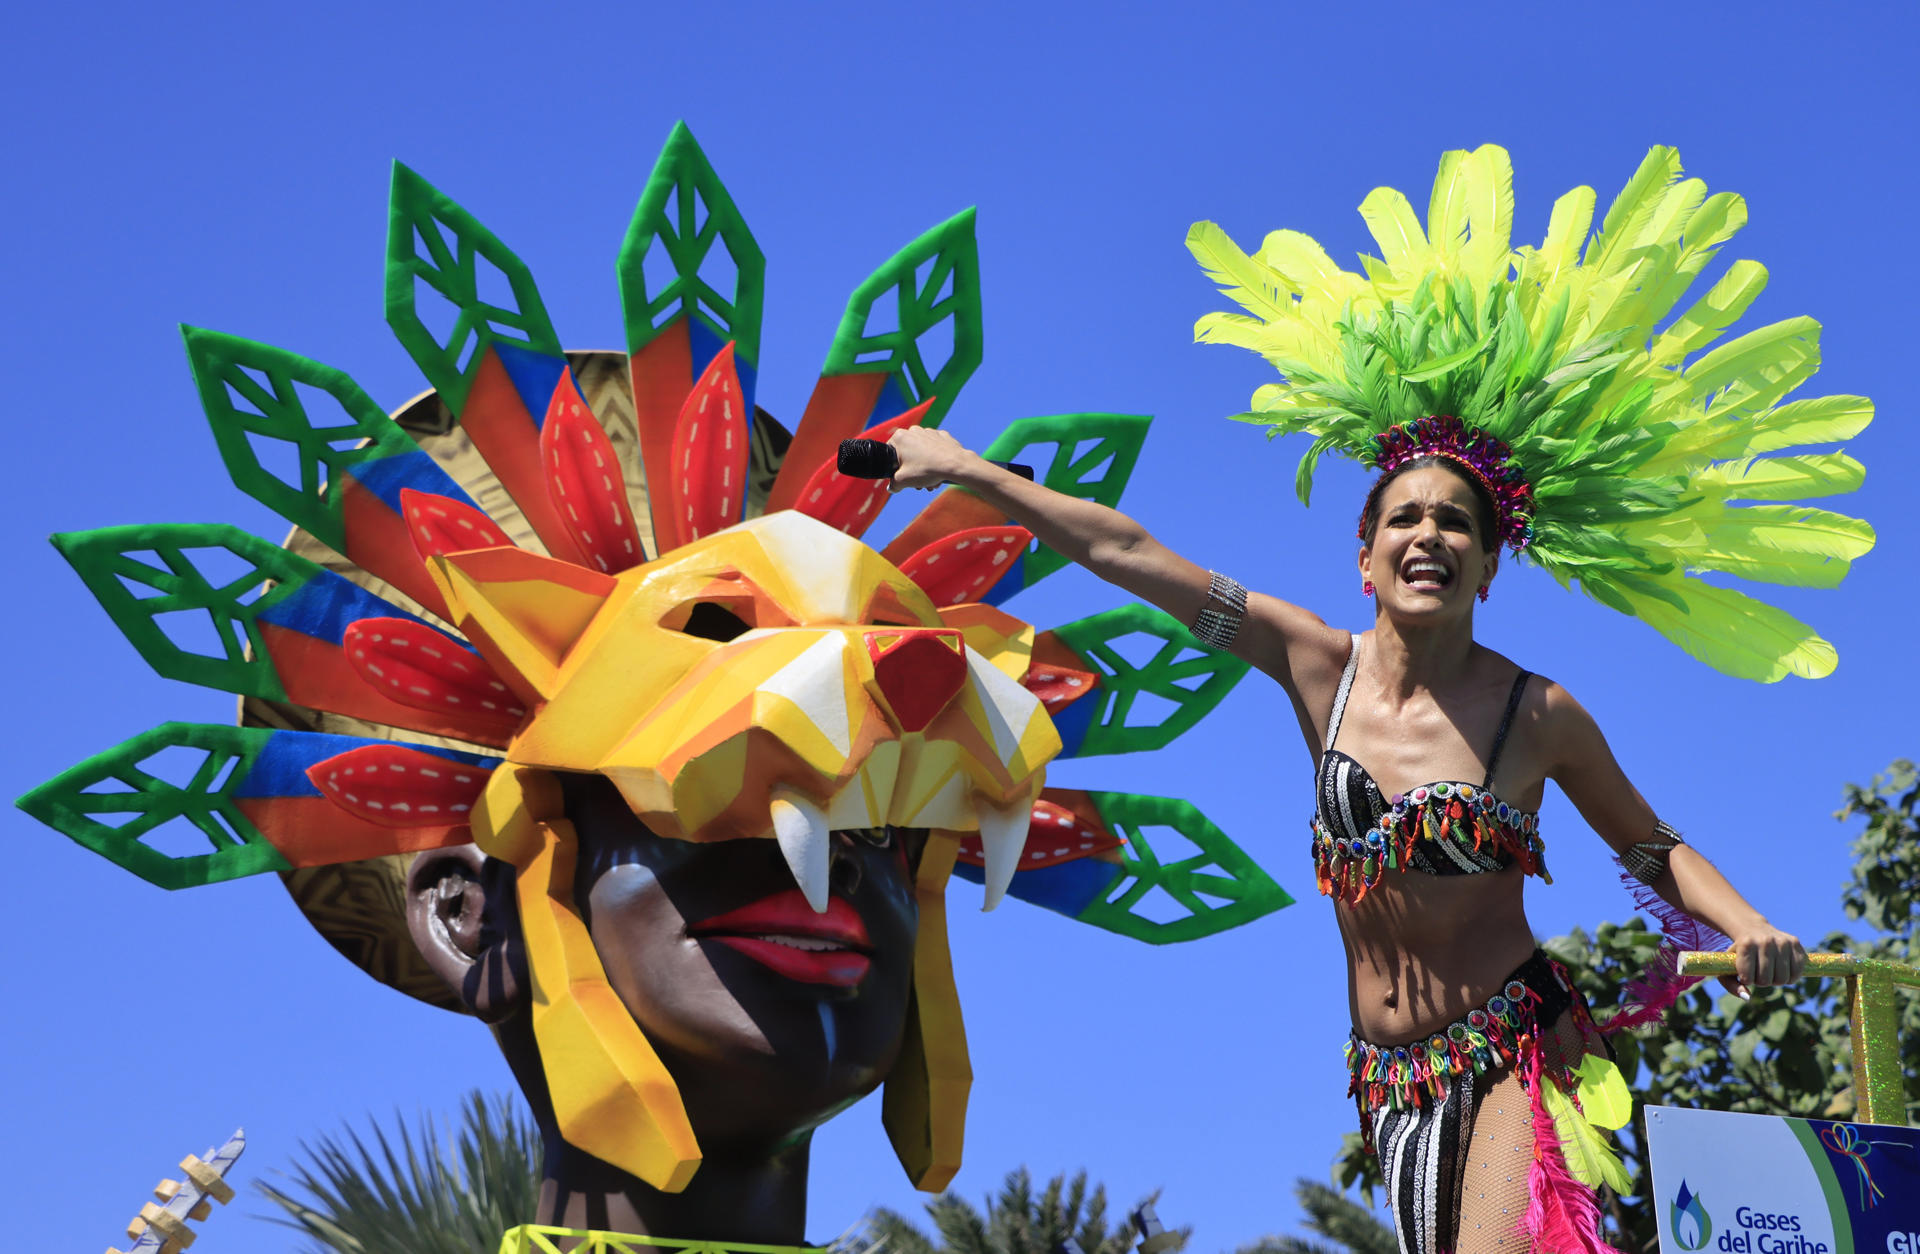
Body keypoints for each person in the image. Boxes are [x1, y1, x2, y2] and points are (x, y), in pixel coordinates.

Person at [885, 142, 1866, 1254]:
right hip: (1389, 1082)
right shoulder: (1307, 662)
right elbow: (1128, 550)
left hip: (1515, 1049)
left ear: (1490, 568)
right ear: (1366, 557)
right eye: (1405, 518)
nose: (1430, 537)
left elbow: (1648, 848)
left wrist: (1751, 929)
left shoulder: (1537, 715)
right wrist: (971, 472)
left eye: (1457, 524)